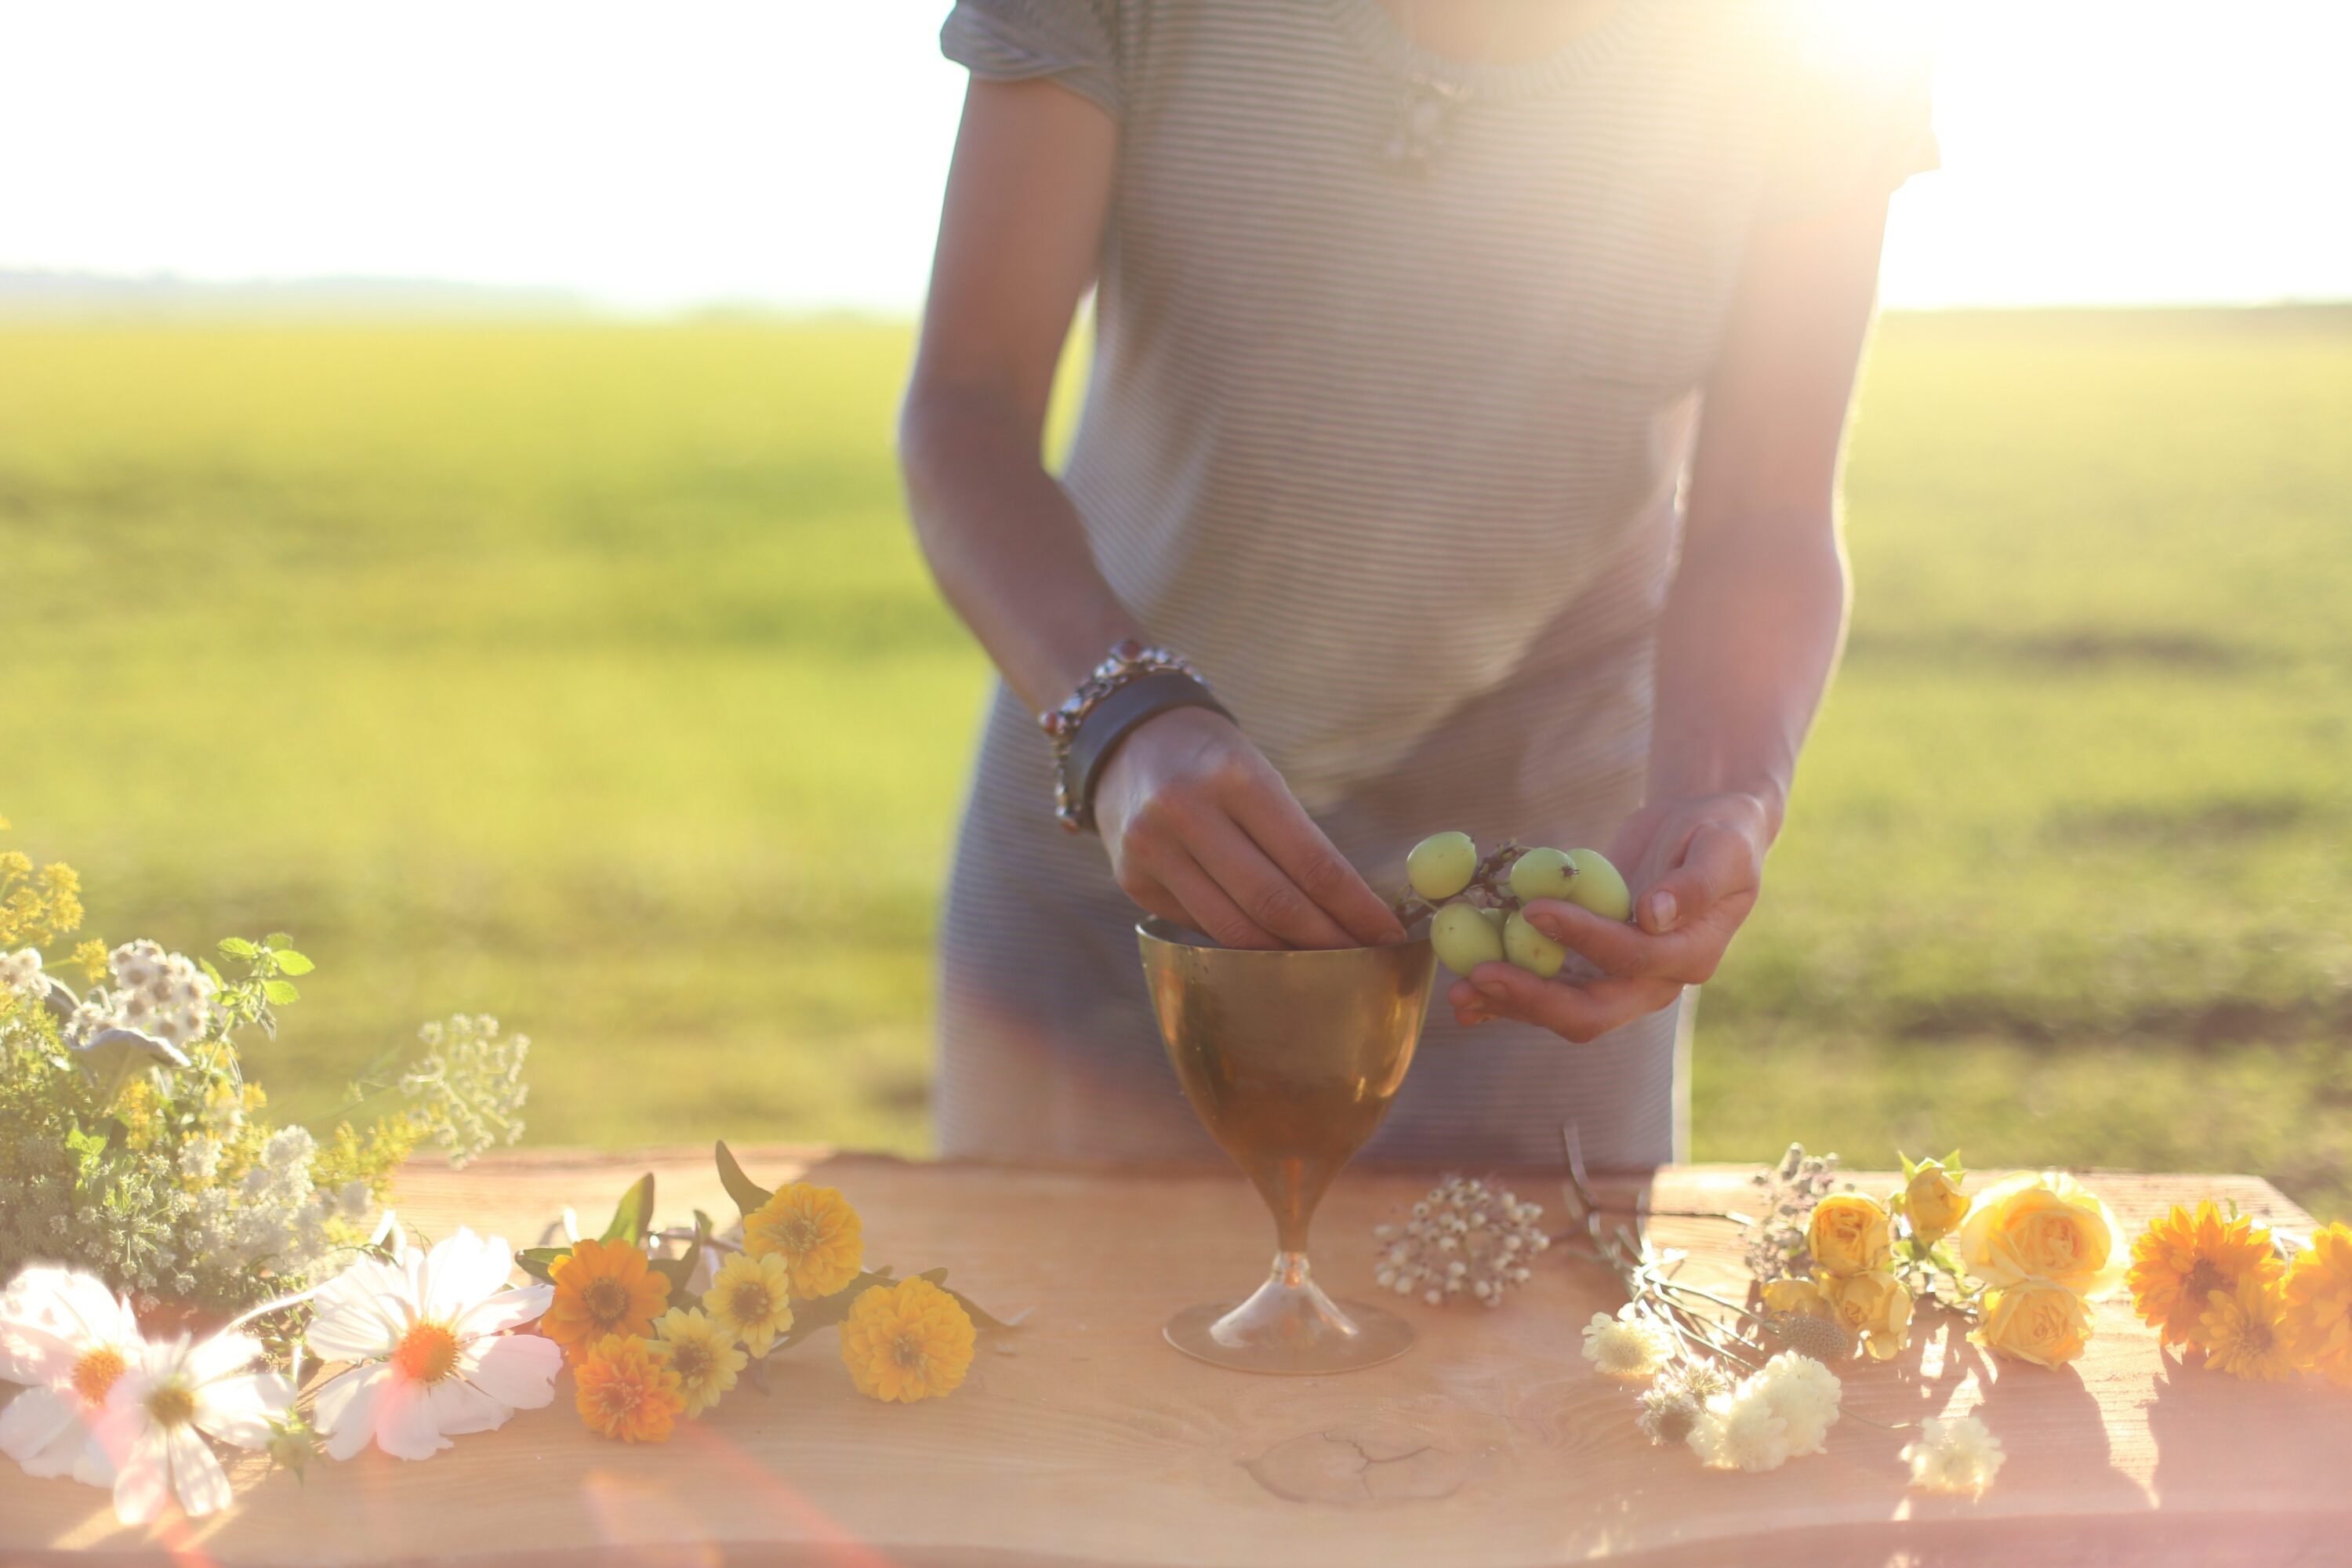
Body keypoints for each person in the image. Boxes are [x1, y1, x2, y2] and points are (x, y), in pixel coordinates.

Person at [899, 0, 1936, 1167]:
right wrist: (1120, 719)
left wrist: (1721, 791)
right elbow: (966, 411)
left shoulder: (1818, 45)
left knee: (1541, 1348)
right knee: (1061, 1340)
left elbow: (1765, 507)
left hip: (1531, 937)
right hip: (1120, 863)